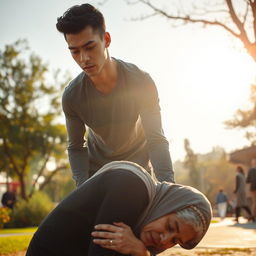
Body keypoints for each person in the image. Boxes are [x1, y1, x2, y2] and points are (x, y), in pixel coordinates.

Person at [56, 3, 174, 186]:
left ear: (107, 39)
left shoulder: (141, 82)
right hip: (97, 174)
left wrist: (168, 187)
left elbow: (156, 139)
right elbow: (76, 147)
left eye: (89, 47)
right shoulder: (72, 97)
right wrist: (83, 188)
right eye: (75, 51)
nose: (83, 58)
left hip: (138, 170)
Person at [26, 161, 212, 256]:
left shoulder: (143, 213)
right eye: (171, 227)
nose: (164, 240)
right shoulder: (132, 188)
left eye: (175, 241)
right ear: (168, 206)